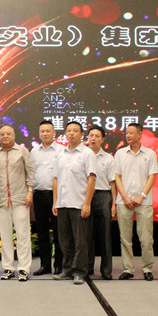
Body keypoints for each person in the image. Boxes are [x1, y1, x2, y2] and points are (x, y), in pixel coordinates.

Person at [52, 121, 97, 285]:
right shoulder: (61, 154)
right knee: (65, 241)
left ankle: (79, 272)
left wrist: (87, 203)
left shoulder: (87, 153)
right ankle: (67, 269)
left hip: (79, 203)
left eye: (75, 131)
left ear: (82, 134)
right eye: (69, 130)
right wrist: (55, 202)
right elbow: (55, 179)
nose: (71, 133)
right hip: (62, 203)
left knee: (80, 241)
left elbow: (92, 179)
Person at [0, 125, 36, 282]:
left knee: (23, 235)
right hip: (2, 200)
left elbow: (30, 173)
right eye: (2, 134)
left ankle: (24, 268)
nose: (5, 136)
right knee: (5, 236)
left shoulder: (22, 151)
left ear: (14, 135)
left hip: (20, 199)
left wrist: (30, 192)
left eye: (8, 133)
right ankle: (8, 267)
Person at [115, 122, 158, 281]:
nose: (128, 135)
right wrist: (125, 196)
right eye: (127, 132)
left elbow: (152, 176)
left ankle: (147, 268)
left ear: (140, 134)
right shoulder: (120, 153)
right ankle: (128, 269)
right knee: (125, 238)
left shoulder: (150, 154)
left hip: (144, 202)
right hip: (123, 201)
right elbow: (117, 176)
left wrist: (141, 195)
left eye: (131, 132)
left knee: (146, 238)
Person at [31, 120, 62, 276]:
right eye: (42, 131)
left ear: (54, 132)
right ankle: (45, 265)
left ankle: (59, 265)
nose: (45, 134)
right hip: (38, 195)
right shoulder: (34, 151)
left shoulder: (62, 150)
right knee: (42, 232)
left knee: (58, 232)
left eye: (48, 131)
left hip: (56, 196)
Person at [86, 125, 116, 280]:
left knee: (105, 235)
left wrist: (114, 203)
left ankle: (106, 270)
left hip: (103, 196)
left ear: (103, 139)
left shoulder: (108, 158)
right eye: (91, 135)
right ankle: (87, 267)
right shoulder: (83, 155)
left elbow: (112, 182)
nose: (93, 139)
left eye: (97, 136)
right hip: (86, 197)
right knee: (87, 234)